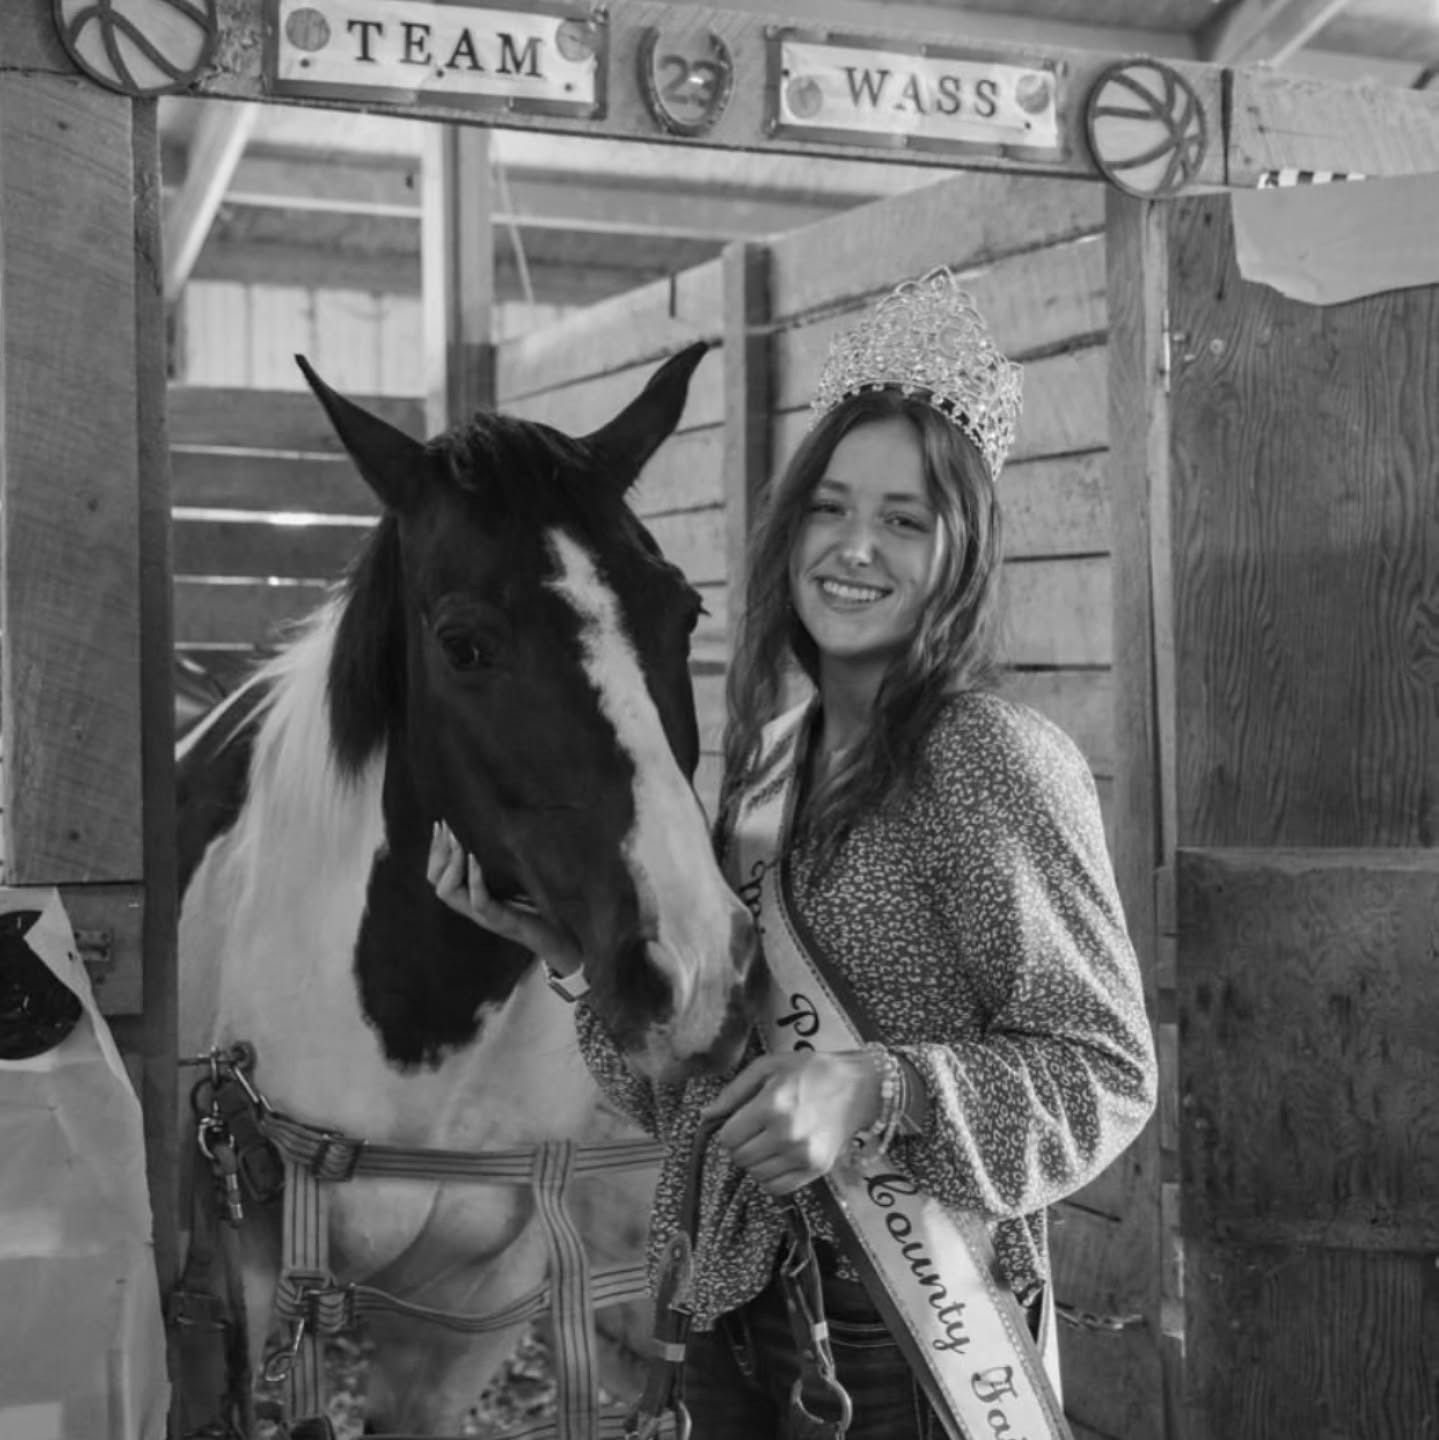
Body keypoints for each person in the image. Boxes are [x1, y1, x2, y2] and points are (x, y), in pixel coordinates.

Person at [428, 267, 1157, 1440]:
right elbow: (686, 1090)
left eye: (904, 519)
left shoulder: (990, 762)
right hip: (733, 1304)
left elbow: (1104, 1073)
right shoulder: (768, 758)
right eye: (829, 505)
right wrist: (570, 959)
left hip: (904, 1325)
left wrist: (871, 1087)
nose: (853, 546)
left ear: (958, 554)